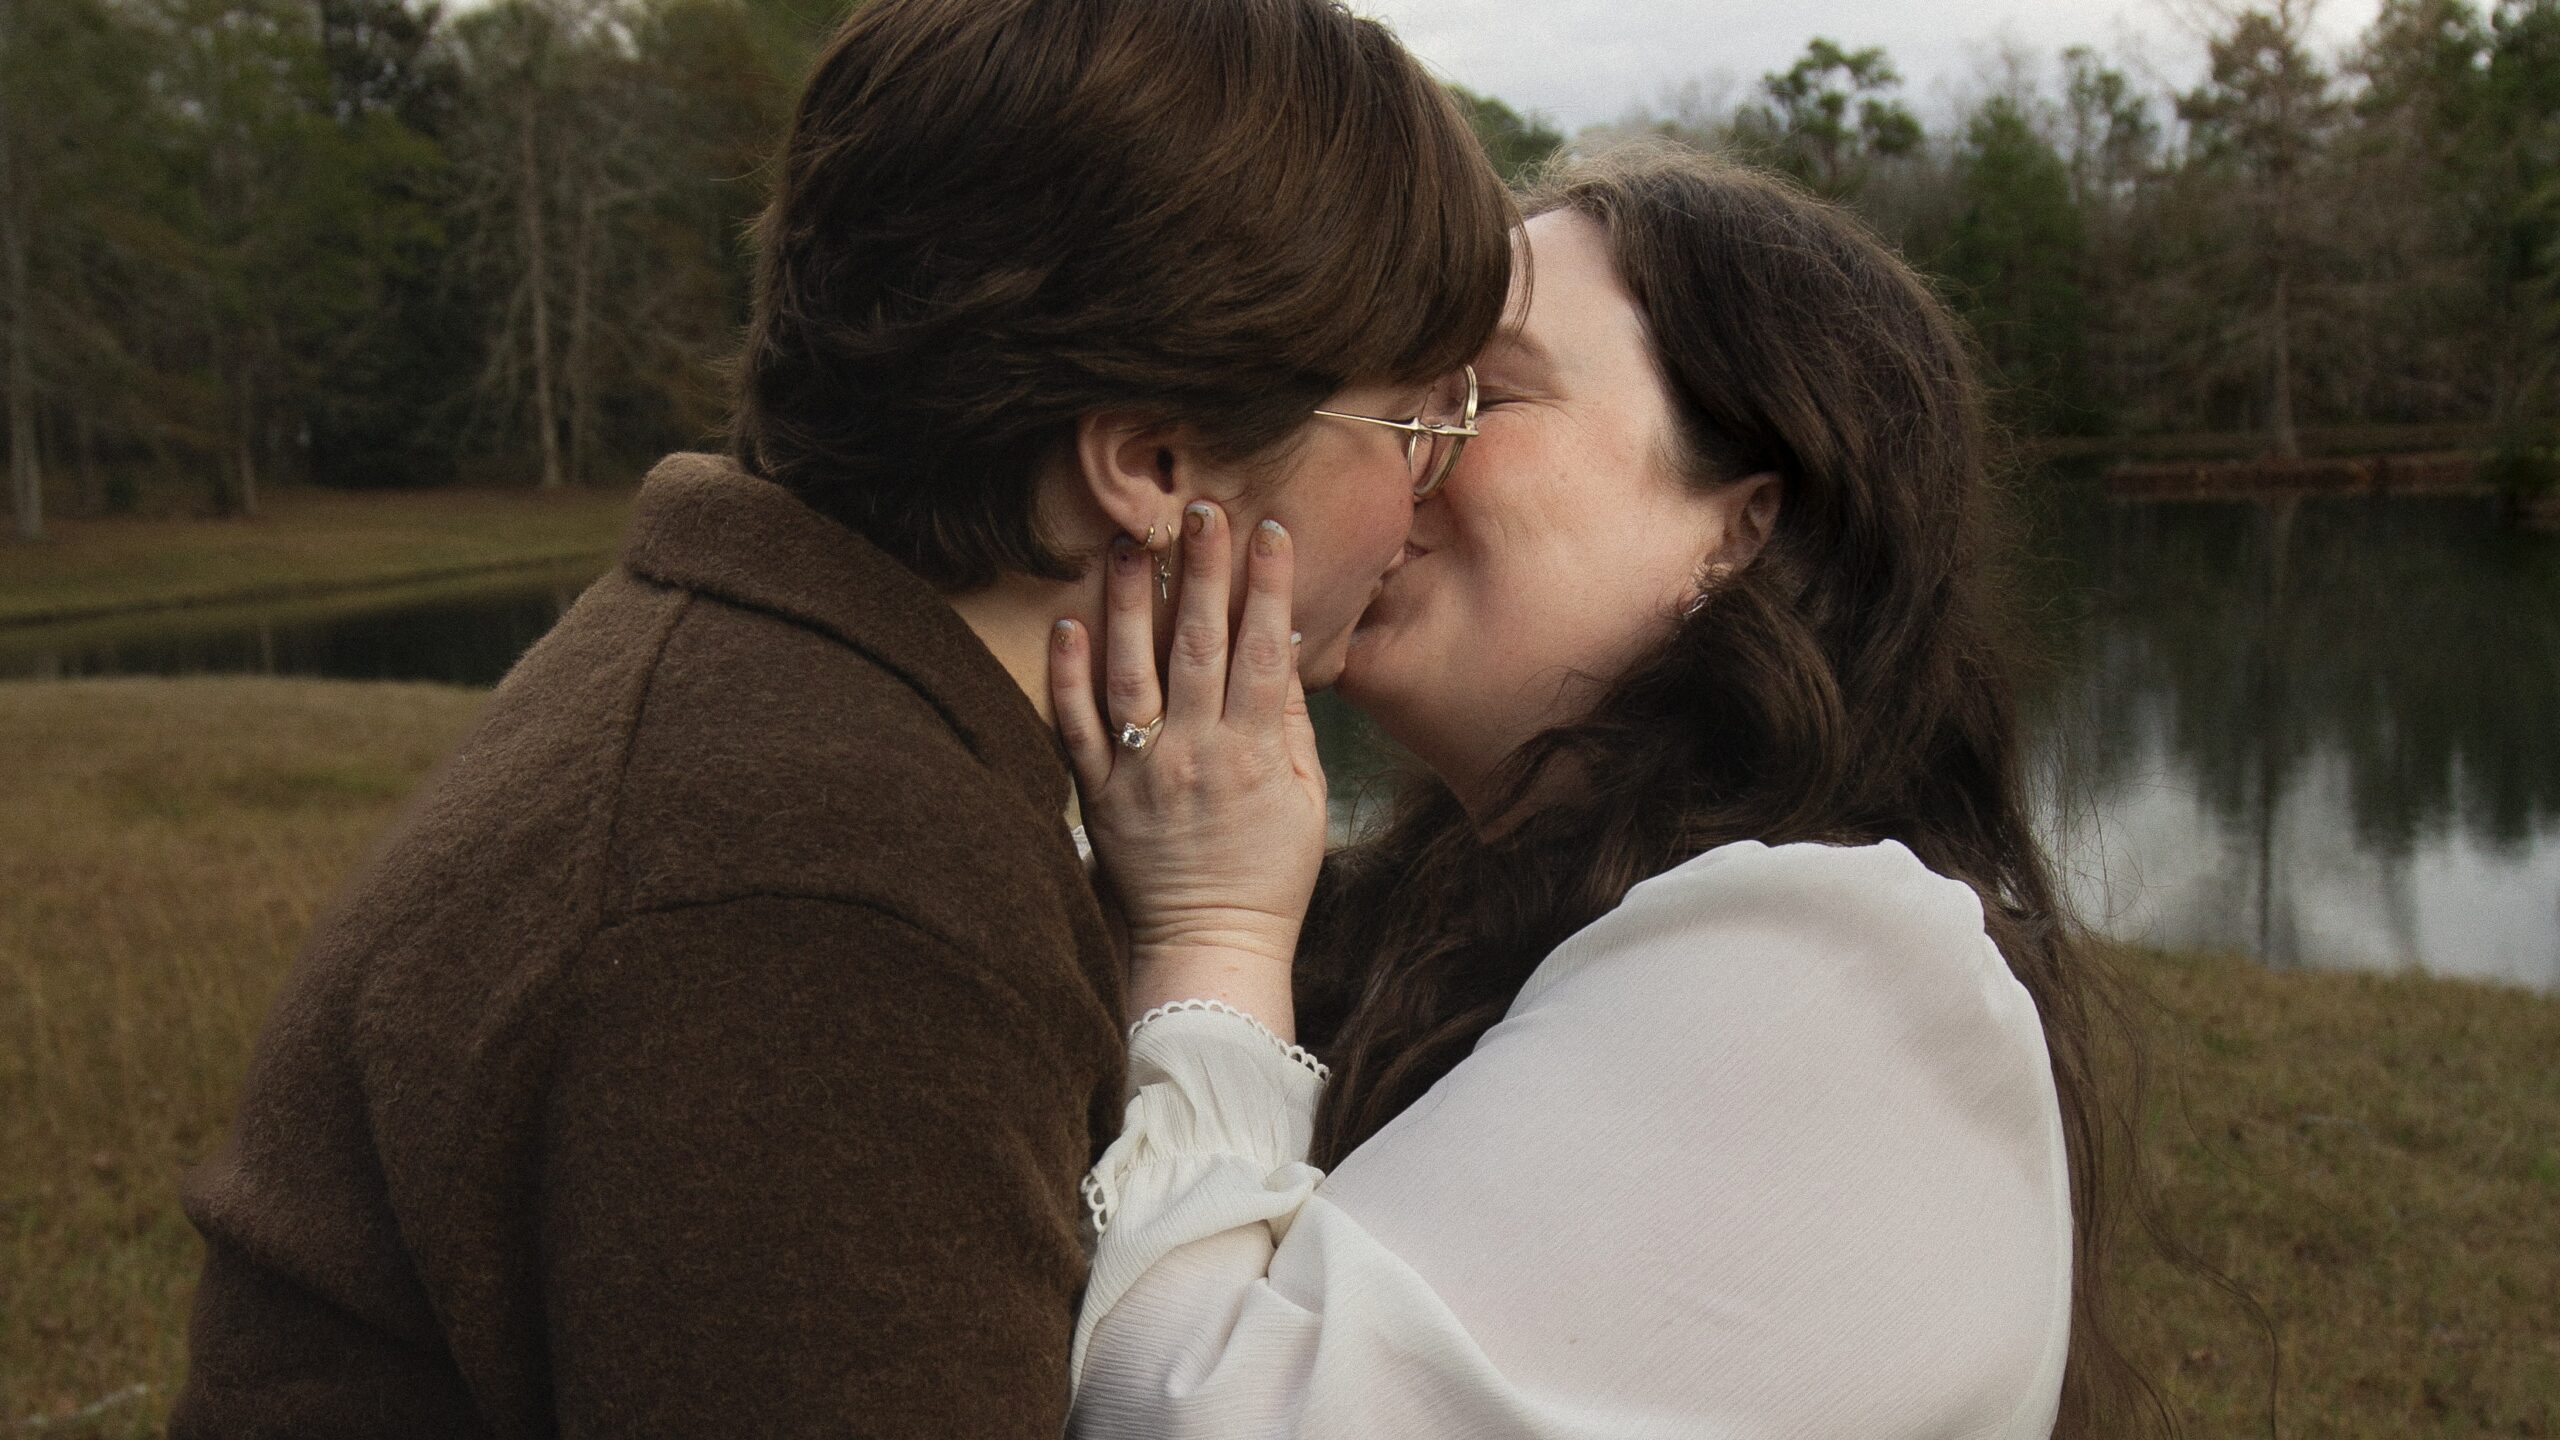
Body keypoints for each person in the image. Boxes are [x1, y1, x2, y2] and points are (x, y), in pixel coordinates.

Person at [169, 1, 1511, 1435]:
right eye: (1419, 429)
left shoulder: (821, 720)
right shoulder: (817, 887)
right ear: (1153, 460)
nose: (1436, 492)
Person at [1052, 146, 2159, 1438]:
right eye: (1403, 395)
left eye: (1478, 397)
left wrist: (1214, 939)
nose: (1391, 456)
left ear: (1741, 524)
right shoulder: (1439, 933)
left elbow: (1194, 1416)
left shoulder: (1833, 961)